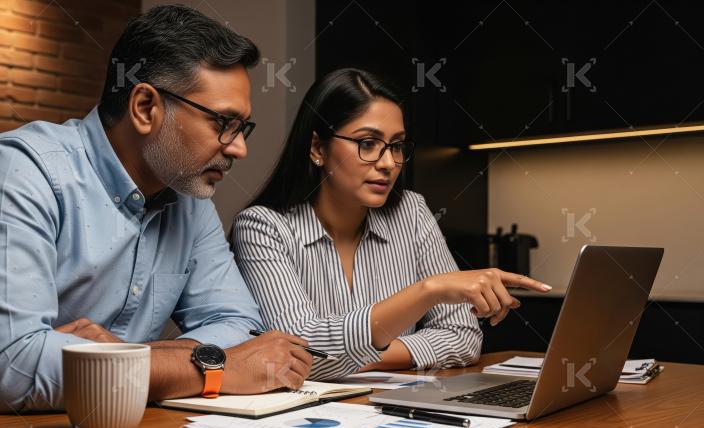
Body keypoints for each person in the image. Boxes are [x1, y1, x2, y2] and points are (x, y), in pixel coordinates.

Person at [0, 5, 313, 421]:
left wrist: (122, 357)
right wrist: (214, 365)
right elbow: (9, 370)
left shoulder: (190, 201)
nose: (238, 148)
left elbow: (240, 325)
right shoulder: (18, 171)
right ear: (145, 108)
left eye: (242, 128)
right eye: (223, 122)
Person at [230, 68, 551, 381]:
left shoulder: (410, 212)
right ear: (317, 148)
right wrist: (428, 291)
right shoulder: (262, 227)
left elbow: (463, 337)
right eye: (367, 143)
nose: (388, 163)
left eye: (396, 145)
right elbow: (299, 353)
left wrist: (358, 359)